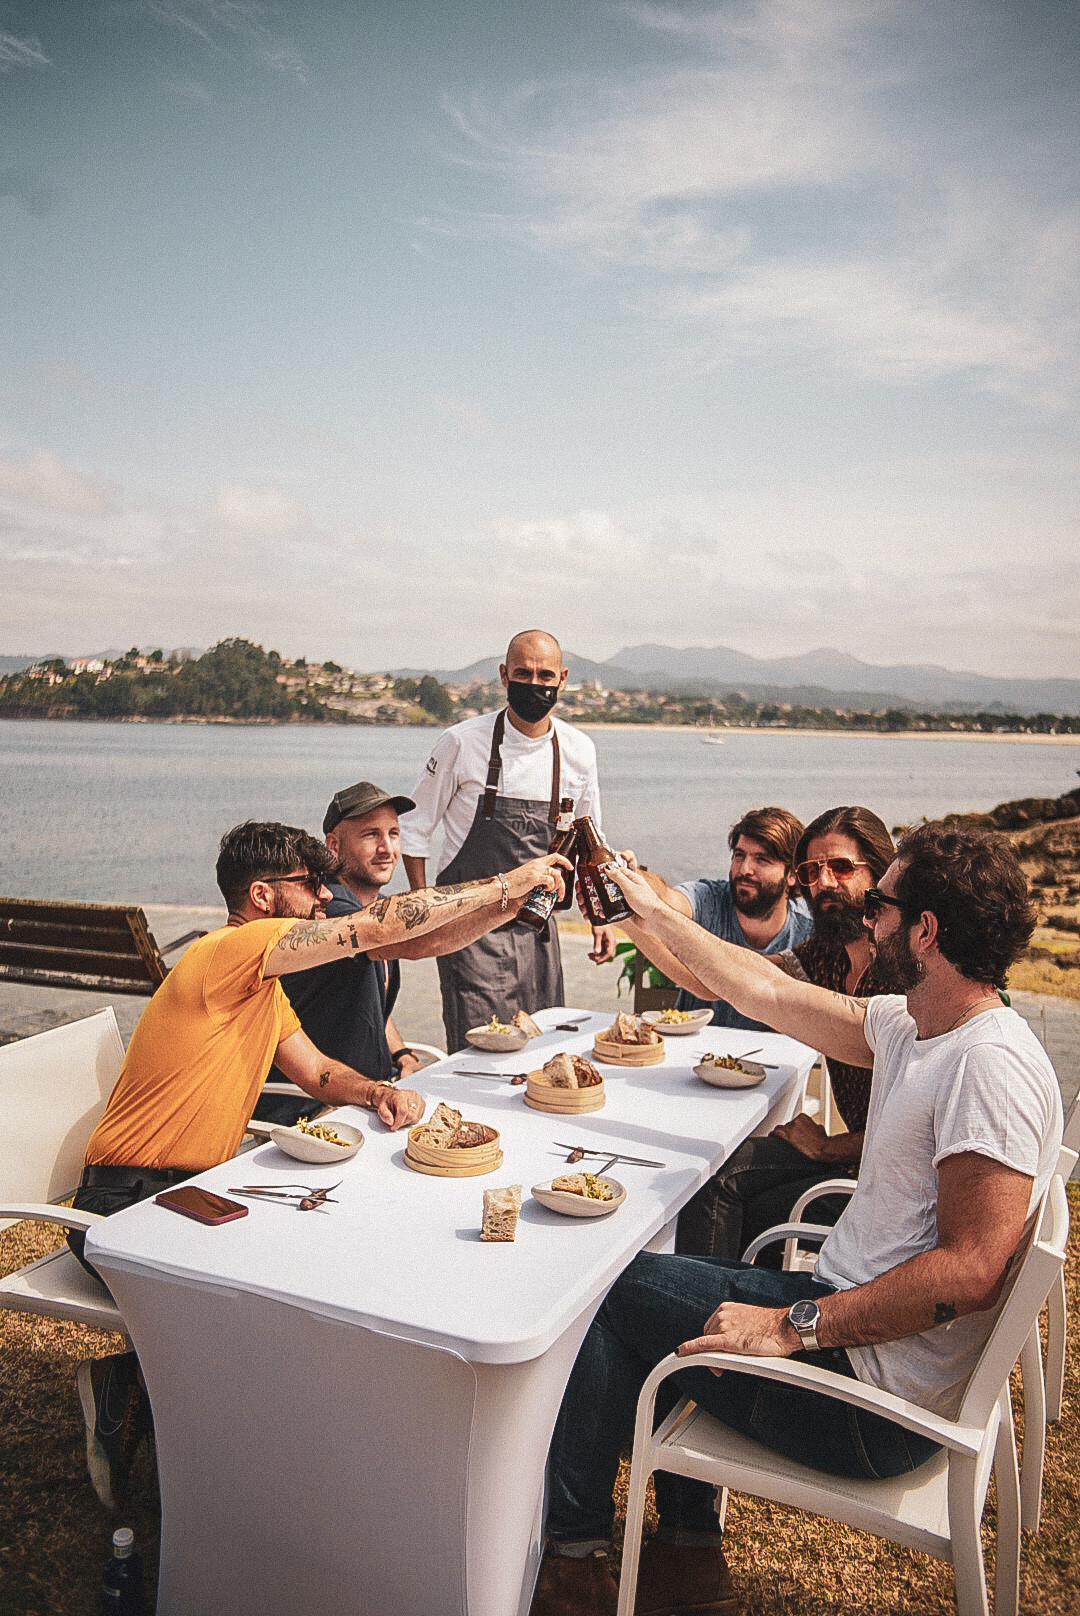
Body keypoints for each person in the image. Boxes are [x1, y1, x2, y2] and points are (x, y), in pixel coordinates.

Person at [530, 822, 1062, 1616]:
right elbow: (763, 990)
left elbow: (970, 1270)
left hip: (869, 1404)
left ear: (926, 930)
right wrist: (642, 909)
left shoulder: (987, 1066)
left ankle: (574, 1566)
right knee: (636, 1281)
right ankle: (682, 1560)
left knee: (605, 1289)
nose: (866, 915)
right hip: (848, 1331)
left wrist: (792, 1327)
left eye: (883, 902)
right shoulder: (920, 1025)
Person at [69, 820, 569, 1513]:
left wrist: (377, 1090)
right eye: (311, 886)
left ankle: (191, 1417)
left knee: (324, 1256)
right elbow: (379, 927)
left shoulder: (257, 986)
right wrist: (510, 881)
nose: (324, 900)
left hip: (189, 1194)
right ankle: (161, 1415)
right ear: (263, 897)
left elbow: (319, 1071)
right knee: (299, 1283)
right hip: (128, 1206)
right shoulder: (233, 948)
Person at [634, 806, 894, 1260]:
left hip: (891, 1188)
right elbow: (720, 984)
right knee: (711, 1174)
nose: (824, 883)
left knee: (722, 1197)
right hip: (858, 1161)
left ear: (881, 872)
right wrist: (637, 920)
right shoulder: (824, 955)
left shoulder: (902, 967)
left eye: (841, 868)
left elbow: (917, 1132)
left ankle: (729, 1309)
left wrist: (831, 1146)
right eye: (813, 871)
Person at [400, 629, 614, 1052]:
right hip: (469, 931)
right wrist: (425, 908)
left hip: (540, 927)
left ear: (563, 679)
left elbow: (591, 840)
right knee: (479, 1054)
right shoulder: (461, 742)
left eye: (544, 675)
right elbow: (414, 827)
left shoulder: (578, 750)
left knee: (545, 1050)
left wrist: (600, 918)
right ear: (503, 675)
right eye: (523, 673)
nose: (534, 684)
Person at [255, 781, 433, 1128]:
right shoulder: (331, 910)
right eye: (371, 836)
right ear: (333, 846)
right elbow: (429, 939)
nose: (387, 848)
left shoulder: (375, 910)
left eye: (394, 834)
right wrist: (507, 894)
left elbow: (373, 1002)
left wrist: (402, 1054)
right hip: (314, 1110)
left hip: (373, 1096)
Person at [631, 806, 812, 1031]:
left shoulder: (809, 933)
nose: (745, 869)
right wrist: (630, 875)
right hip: (692, 1057)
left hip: (775, 1063)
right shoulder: (710, 900)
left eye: (762, 860)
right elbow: (666, 896)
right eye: (739, 855)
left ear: (793, 874)